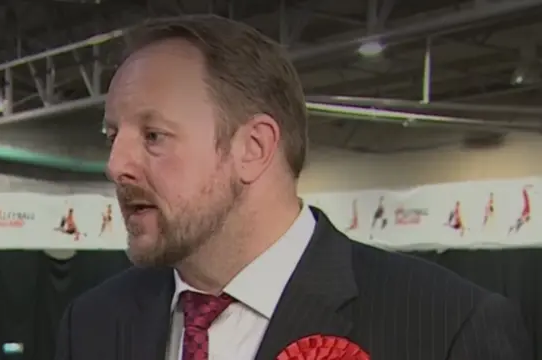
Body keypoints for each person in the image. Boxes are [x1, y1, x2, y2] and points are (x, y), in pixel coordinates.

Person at [55, 15, 531, 360]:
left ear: (254, 147)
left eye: (153, 136)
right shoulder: (93, 322)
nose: (117, 165)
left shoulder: (448, 327)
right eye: (113, 136)